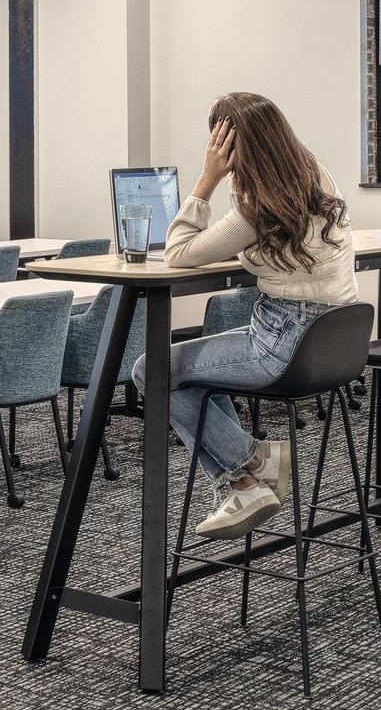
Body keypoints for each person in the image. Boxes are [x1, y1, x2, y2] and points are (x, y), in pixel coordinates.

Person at [137, 92, 358, 540]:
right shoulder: (317, 178)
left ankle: (249, 469)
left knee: (151, 370)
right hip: (331, 342)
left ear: (233, 146)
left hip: (283, 342)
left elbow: (177, 253)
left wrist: (206, 178)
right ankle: (247, 480)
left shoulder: (261, 209)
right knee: (189, 375)